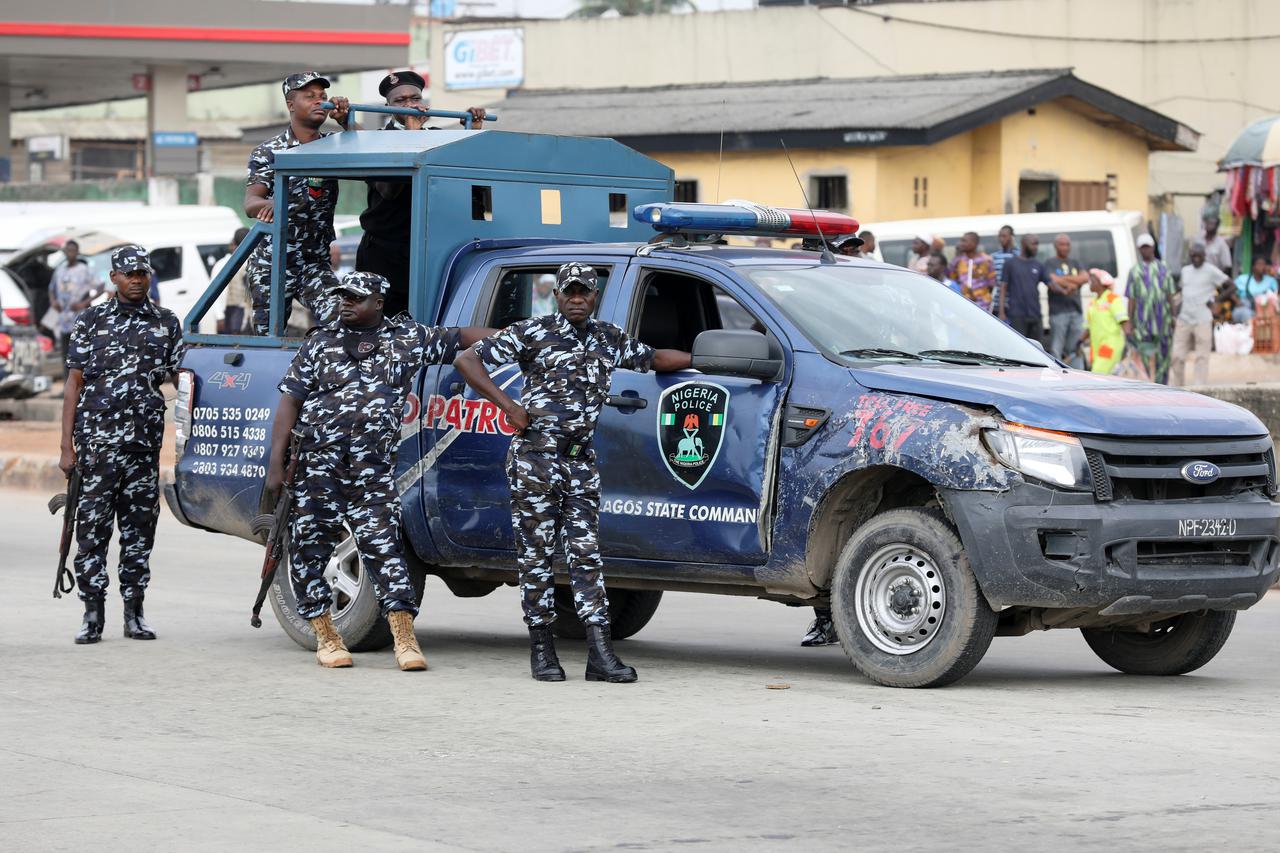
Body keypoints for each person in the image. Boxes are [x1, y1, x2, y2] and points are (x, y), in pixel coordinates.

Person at [455, 262, 692, 683]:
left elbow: (654, 358)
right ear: (558, 295)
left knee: (586, 556)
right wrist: (508, 406)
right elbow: (467, 359)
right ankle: (542, 652)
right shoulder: (533, 331)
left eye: (584, 292)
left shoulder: (609, 338)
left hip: (582, 462)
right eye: (569, 292)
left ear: (595, 295)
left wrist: (706, 359)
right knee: (537, 556)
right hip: (536, 459)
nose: (577, 299)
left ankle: (600, 655)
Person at [267, 271, 492, 670]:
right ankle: (327, 636)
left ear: (379, 302)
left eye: (356, 298)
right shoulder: (320, 341)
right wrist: (276, 461)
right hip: (319, 467)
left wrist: (526, 336)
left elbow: (461, 338)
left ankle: (404, 640)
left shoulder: (406, 339)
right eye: (342, 297)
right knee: (308, 550)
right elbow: (291, 400)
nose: (346, 303)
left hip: (372, 472)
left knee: (386, 550)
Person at [59, 246, 184, 644]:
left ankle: (135, 612)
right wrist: (66, 447)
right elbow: (74, 385)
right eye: (129, 273)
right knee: (92, 532)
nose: (136, 279)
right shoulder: (91, 321)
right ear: (113, 277)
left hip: (143, 451)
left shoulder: (166, 323)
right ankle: (92, 614)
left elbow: (181, 383)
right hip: (96, 449)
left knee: (139, 534)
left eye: (142, 273)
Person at [357, 71, 487, 318]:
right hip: (386, 250)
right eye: (401, 101)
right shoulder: (375, 140)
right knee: (382, 319)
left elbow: (469, 182)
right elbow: (390, 190)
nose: (410, 105)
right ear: (388, 107)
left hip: (431, 248)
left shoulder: (440, 137)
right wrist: (412, 136)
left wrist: (472, 132)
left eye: (415, 98)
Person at [244, 72, 351, 335]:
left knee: (342, 319)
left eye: (323, 97)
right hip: (273, 261)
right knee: (270, 335)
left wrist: (348, 123)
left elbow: (378, 153)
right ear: (291, 104)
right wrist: (268, 204)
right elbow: (251, 202)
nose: (319, 102)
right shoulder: (270, 150)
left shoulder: (335, 145)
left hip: (314, 260)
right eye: (310, 96)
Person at [1171, 243, 1227, 386]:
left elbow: (1231, 286)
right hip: (1184, 318)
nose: (1196, 258)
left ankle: (1199, 388)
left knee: (1202, 357)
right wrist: (1174, 311)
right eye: (1193, 256)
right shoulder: (1185, 271)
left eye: (1198, 256)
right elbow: (1179, 291)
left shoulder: (1211, 271)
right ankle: (1177, 387)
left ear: (1204, 256)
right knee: (1177, 356)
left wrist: (1215, 300)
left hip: (1203, 319)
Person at [1126, 234, 1178, 384]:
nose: (1145, 250)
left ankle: (1163, 385)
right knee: (1144, 355)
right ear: (1139, 249)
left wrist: (1174, 316)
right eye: (1142, 248)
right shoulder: (1134, 271)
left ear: (1153, 247)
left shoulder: (1163, 268)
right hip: (1142, 322)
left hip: (1163, 320)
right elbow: (1131, 297)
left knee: (1164, 356)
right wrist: (1130, 321)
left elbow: (1170, 293)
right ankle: (1148, 384)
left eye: (1147, 247)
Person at [47, 240, 102, 374]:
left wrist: (84, 303)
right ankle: (67, 386)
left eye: (73, 250)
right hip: (63, 320)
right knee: (65, 354)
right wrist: (53, 301)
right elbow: (51, 288)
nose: (70, 253)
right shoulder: (60, 270)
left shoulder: (84, 269)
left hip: (79, 319)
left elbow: (101, 287)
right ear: (64, 252)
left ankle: (82, 385)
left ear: (77, 252)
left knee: (80, 353)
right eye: (67, 250)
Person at [1045, 234, 1089, 367]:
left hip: (1076, 311)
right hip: (1058, 312)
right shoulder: (1050, 263)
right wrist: (1074, 281)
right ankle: (1056, 373)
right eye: (1062, 244)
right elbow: (1052, 279)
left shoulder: (1075, 262)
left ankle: (1078, 375)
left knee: (1075, 347)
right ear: (1055, 246)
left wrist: (1064, 279)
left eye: (1067, 244)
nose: (1065, 247)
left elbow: (1085, 278)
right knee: (1056, 348)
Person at [998, 233, 1050, 342]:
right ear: (1023, 244)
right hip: (1017, 314)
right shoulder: (1010, 264)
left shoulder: (1038, 265)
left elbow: (1050, 283)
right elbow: (1003, 288)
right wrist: (1001, 312)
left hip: (1035, 314)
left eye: (1037, 244)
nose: (1036, 247)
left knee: (1038, 348)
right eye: (1033, 244)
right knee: (1019, 345)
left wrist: (1066, 289)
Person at [1081, 269, 1129, 374]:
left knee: (1097, 375)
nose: (1090, 283)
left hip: (1109, 346)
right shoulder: (1092, 303)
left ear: (1101, 282)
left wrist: (1129, 342)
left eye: (1092, 280)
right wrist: (1080, 341)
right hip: (1097, 350)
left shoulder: (1112, 298)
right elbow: (1089, 327)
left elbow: (1124, 321)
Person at [211, 227, 252, 335]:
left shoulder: (252, 262)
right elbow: (216, 293)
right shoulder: (223, 264)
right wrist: (220, 316)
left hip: (248, 314)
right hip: (231, 312)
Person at [947, 231, 995, 312]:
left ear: (974, 243)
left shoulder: (986, 260)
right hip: (963, 303)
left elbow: (992, 283)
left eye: (964, 241)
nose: (961, 243)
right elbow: (953, 281)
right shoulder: (957, 261)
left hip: (983, 305)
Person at [1232, 256, 1278, 325]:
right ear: (1253, 267)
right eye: (1260, 264)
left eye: (1264, 264)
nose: (1263, 267)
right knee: (1246, 314)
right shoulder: (1242, 279)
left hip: (1265, 310)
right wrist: (1237, 301)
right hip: (1245, 307)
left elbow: (1276, 296)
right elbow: (1231, 292)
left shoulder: (1271, 281)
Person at [989, 225, 1017, 318]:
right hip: (997, 303)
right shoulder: (994, 257)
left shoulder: (1018, 255)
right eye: (1000, 236)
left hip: (1015, 302)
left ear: (1012, 237)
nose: (1001, 239)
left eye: (1004, 236)